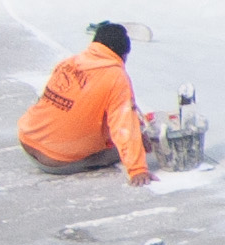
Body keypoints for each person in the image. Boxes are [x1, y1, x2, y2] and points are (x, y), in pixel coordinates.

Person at [17, 22, 151, 182]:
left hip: (27, 140)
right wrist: (137, 169)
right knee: (137, 141)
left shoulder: (70, 62)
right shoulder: (116, 77)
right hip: (56, 160)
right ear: (123, 54)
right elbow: (124, 126)